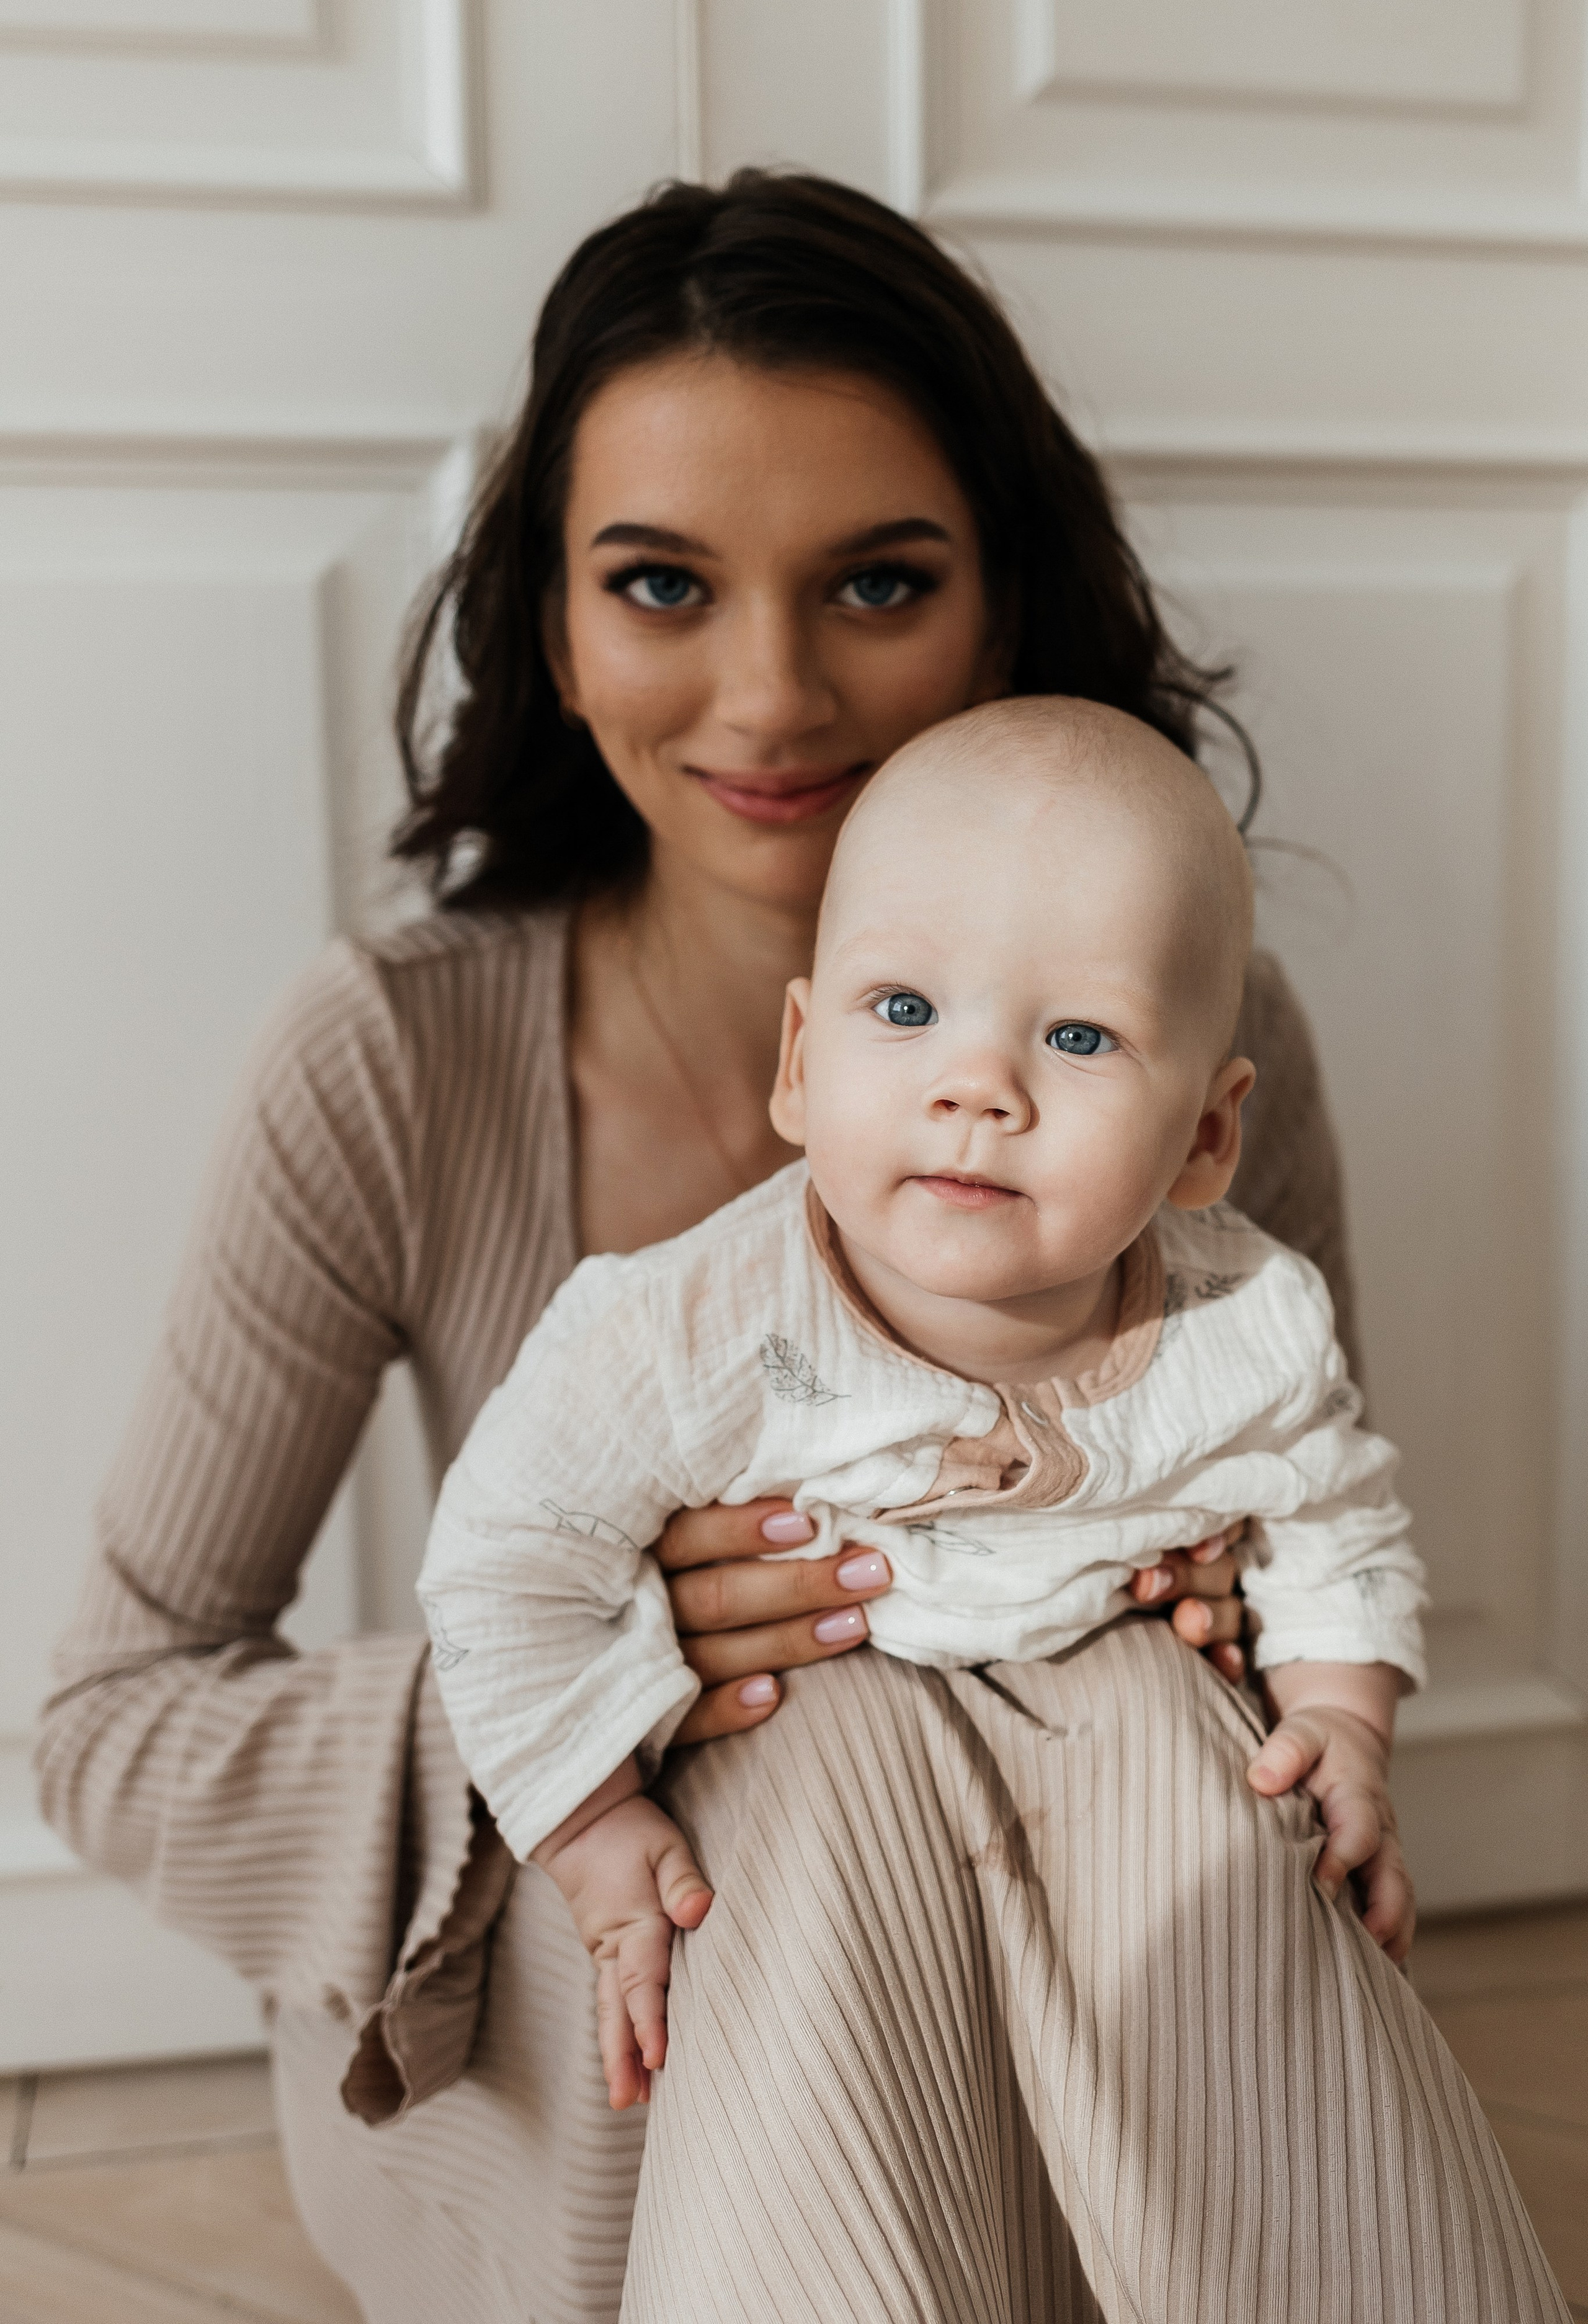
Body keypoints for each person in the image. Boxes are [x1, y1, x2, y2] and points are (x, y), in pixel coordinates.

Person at [37, 171, 1557, 2320]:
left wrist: (1225, 1628)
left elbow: (1302, 1517)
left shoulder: (1196, 1054)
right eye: (661, 583)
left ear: (1000, 609)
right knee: (813, 1748)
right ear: (552, 629)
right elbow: (112, 1722)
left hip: (1089, 1988)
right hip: (610, 1982)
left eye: (878, 583)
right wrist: (605, 1674)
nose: (771, 697)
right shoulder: (390, 1061)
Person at [420, 698, 1427, 2116]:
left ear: (1206, 1135)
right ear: (799, 1061)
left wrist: (1341, 1718)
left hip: (1132, 1835)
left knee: (1259, 1917)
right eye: (903, 1011)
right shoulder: (680, 1332)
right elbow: (505, 1556)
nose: (976, 1088)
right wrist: (592, 1832)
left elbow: (1336, 1520)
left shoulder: (1245, 1322)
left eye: (1076, 1036)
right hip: (826, 1843)